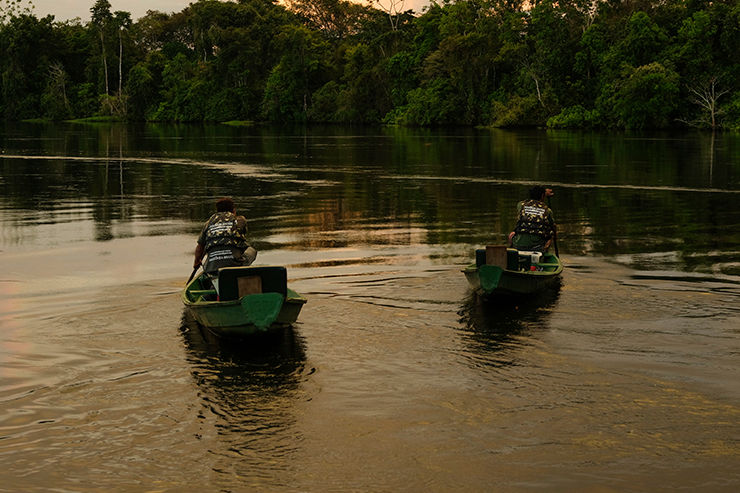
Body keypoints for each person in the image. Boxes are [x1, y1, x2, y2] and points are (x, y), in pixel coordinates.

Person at [193, 197, 257, 291]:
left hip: (212, 267)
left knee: (212, 254)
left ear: (217, 210)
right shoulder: (239, 220)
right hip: (235, 265)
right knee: (251, 250)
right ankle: (242, 273)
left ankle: (214, 285)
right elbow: (241, 240)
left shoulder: (208, 223)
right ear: (233, 210)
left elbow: (200, 247)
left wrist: (196, 262)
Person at [508, 186, 557, 252]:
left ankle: (514, 252)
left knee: (512, 234)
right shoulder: (547, 210)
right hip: (537, 247)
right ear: (542, 196)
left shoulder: (521, 205)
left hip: (518, 245)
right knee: (551, 234)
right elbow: (553, 227)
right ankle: (543, 255)